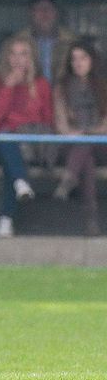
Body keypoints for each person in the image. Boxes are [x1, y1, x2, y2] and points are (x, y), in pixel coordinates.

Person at [0, 32, 53, 238]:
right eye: (13, 54)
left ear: (31, 57)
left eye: (23, 54)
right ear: (6, 57)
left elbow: (47, 121)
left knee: (11, 167)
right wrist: (9, 87)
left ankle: (6, 218)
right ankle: (20, 184)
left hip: (30, 146)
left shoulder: (40, 84)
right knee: (6, 138)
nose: (17, 59)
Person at [52, 40, 107, 236]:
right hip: (72, 144)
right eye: (74, 59)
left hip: (101, 143)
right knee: (87, 161)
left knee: (88, 145)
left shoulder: (103, 86)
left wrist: (89, 133)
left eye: (83, 58)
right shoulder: (62, 88)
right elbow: (61, 124)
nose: (78, 63)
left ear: (92, 60)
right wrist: (75, 134)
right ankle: (91, 220)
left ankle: (69, 178)